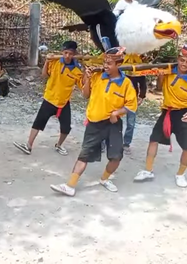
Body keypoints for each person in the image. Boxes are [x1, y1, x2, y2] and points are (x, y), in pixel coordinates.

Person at [50, 47, 138, 195]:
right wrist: (88, 78)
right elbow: (85, 95)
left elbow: (131, 105)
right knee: (84, 155)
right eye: (105, 62)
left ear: (119, 64)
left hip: (113, 124)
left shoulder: (126, 83)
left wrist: (117, 112)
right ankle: (70, 186)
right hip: (94, 123)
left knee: (116, 157)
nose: (106, 66)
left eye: (109, 63)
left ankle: (104, 179)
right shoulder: (97, 77)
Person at [134, 44, 187, 188]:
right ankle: (148, 170)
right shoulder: (168, 71)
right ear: (178, 59)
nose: (184, 64)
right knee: (153, 140)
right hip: (167, 112)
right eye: (182, 60)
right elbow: (159, 89)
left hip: (185, 113)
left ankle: (180, 174)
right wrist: (160, 78)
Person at [13, 41, 83, 156]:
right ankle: (28, 145)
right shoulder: (55, 62)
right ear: (62, 52)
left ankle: (59, 145)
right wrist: (47, 61)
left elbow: (82, 86)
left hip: (63, 102)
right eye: (65, 53)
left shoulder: (77, 70)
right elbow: (44, 75)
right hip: (50, 98)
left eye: (70, 54)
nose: (67, 56)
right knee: (38, 123)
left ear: (74, 54)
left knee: (66, 128)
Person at [123, 65, 147, 154]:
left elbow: (143, 84)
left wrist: (141, 97)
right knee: (110, 119)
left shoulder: (139, 67)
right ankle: (105, 142)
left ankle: (126, 144)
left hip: (132, 99)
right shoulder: (120, 66)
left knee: (131, 123)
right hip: (118, 96)